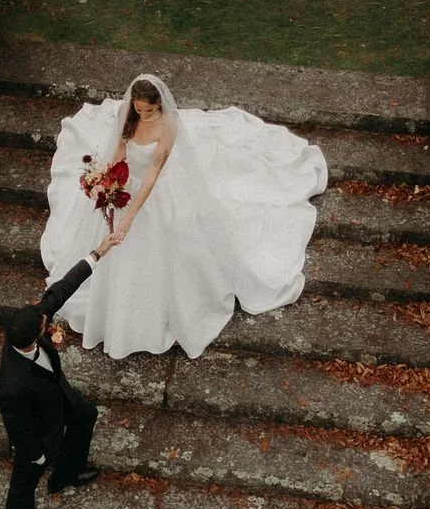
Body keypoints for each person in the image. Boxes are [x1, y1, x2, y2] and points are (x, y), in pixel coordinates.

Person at [39, 73, 328, 361]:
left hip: (152, 196)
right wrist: (106, 180)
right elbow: (119, 150)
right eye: (139, 109)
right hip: (124, 187)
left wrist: (130, 217)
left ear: (159, 106)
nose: (143, 114)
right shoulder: (128, 116)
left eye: (148, 110)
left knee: (157, 247)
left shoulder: (168, 127)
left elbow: (152, 175)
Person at [0, 236, 114, 509]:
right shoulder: (11, 385)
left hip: (55, 391)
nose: (48, 319)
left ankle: (68, 472)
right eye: (46, 322)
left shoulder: (30, 322)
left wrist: (96, 254)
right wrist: (35, 455)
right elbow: (16, 424)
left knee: (86, 414)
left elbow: (61, 290)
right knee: (21, 491)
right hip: (36, 431)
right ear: (37, 335)